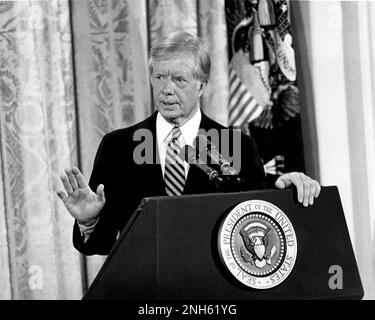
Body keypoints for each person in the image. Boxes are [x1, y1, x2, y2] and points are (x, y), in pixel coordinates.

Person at [57, 31, 320, 256]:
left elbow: (255, 223)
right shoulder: (118, 146)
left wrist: (283, 192)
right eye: (159, 77)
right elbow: (100, 245)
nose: (167, 89)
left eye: (179, 79)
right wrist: (89, 221)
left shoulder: (236, 146)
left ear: (202, 85)